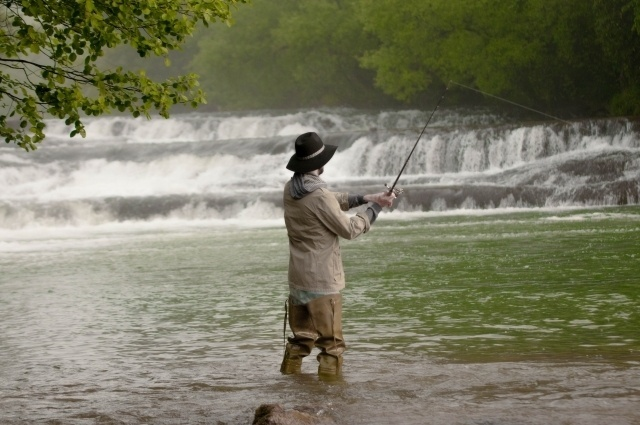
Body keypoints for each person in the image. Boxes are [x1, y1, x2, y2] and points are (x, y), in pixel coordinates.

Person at [281, 131, 397, 378]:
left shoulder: (291, 188)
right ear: (319, 163)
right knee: (332, 347)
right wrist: (376, 208)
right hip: (322, 281)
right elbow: (350, 229)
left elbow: (329, 200)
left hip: (298, 280)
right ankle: (332, 397)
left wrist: (367, 198)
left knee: (300, 341)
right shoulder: (319, 196)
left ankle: (288, 388)